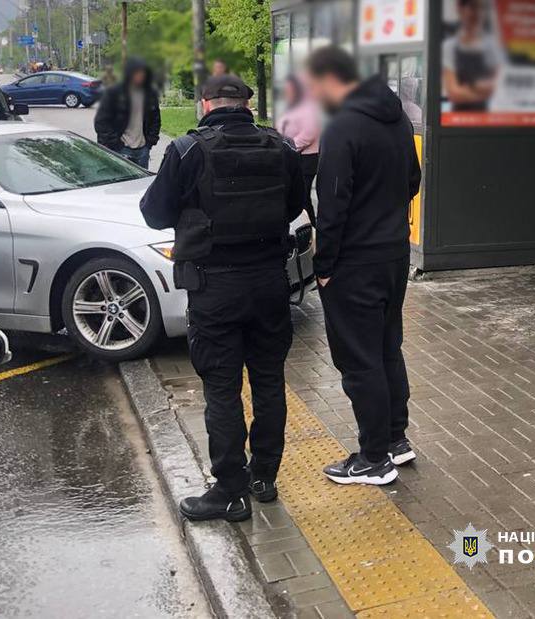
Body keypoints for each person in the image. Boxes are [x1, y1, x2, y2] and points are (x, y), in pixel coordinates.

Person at [140, 75, 306, 522]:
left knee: (221, 388)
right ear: (246, 105)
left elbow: (154, 213)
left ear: (205, 104)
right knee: (269, 380)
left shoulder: (187, 150)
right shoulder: (281, 147)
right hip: (270, 283)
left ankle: (230, 493)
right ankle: (264, 477)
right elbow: (294, 205)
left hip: (215, 287)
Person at [305, 46, 421, 486]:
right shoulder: (398, 118)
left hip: (353, 262)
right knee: (388, 347)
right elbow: (413, 180)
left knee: (359, 359)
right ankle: (395, 439)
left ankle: (373, 458)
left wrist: (324, 265)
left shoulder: (343, 125)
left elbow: (333, 205)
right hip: (393, 255)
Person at [94, 57, 161, 169]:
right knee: (122, 179)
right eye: (137, 73)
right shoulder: (114, 93)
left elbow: (156, 119)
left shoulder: (150, 94)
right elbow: (101, 122)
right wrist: (114, 143)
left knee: (143, 179)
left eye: (143, 73)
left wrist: (150, 142)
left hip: (143, 150)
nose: (141, 76)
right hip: (121, 149)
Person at [276, 75, 321, 226]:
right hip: (292, 154)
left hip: (306, 158)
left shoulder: (308, 107)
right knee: (296, 194)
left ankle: (310, 227)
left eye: (289, 89)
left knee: (303, 196)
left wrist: (289, 146)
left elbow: (309, 134)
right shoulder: (292, 106)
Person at [442, 0, 501, 112]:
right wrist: (479, 88)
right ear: (460, 10)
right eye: (472, 7)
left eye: (480, 8)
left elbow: (495, 88)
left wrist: (468, 88)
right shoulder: (449, 47)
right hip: (459, 118)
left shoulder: (492, 46)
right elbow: (454, 93)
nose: (476, 13)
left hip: (487, 116)